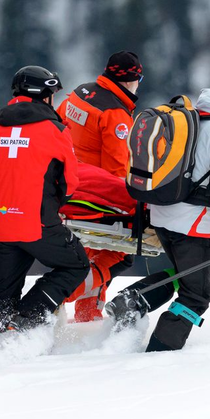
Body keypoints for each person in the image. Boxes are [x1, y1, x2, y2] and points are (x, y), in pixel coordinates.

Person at [106, 76, 210, 353]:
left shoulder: (191, 119)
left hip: (162, 214)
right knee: (196, 295)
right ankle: (160, 353)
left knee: (189, 273)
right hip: (190, 223)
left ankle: (134, 299)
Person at [0, 66, 89, 342]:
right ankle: (25, 318)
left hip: (1, 224)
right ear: (44, 96)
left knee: (3, 293)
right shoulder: (56, 131)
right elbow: (70, 182)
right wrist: (53, 206)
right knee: (76, 265)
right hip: (37, 222)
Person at [57, 50, 142, 322]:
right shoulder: (116, 114)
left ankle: (88, 315)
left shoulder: (80, 93)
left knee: (90, 252)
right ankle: (59, 296)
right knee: (119, 253)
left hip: (64, 183)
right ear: (131, 80)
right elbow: (117, 170)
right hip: (92, 192)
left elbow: (56, 125)